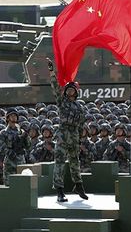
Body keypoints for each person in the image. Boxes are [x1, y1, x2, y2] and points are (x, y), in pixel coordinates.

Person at [47, 57, 88, 202]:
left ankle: (79, 186)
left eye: (72, 90)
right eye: (68, 90)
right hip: (63, 134)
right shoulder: (62, 101)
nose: (70, 92)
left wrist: (81, 140)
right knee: (59, 162)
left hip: (74, 135)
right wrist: (52, 72)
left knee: (74, 161)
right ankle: (59, 190)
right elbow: (55, 88)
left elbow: (82, 125)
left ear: (76, 92)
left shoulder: (80, 107)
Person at [0, 108, 31, 186]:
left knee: (22, 185)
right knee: (9, 185)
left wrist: (26, 137)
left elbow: (28, 146)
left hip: (21, 161)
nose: (14, 117)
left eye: (15, 115)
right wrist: (8, 151)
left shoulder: (21, 132)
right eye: (12, 115)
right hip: (9, 163)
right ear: (7, 118)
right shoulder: (4, 132)